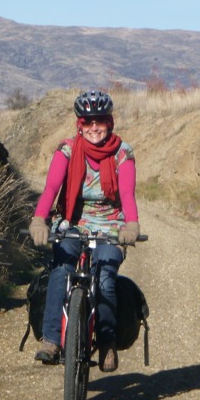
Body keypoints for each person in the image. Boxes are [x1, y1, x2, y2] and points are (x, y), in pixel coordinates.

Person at [28, 90, 140, 372]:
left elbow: (127, 193)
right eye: (87, 122)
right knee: (62, 268)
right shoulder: (67, 149)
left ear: (109, 122)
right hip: (71, 223)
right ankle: (51, 340)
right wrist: (39, 219)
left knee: (104, 278)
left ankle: (107, 343)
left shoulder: (122, 153)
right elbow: (52, 188)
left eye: (99, 121)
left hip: (110, 226)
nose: (93, 128)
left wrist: (131, 224)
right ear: (79, 124)